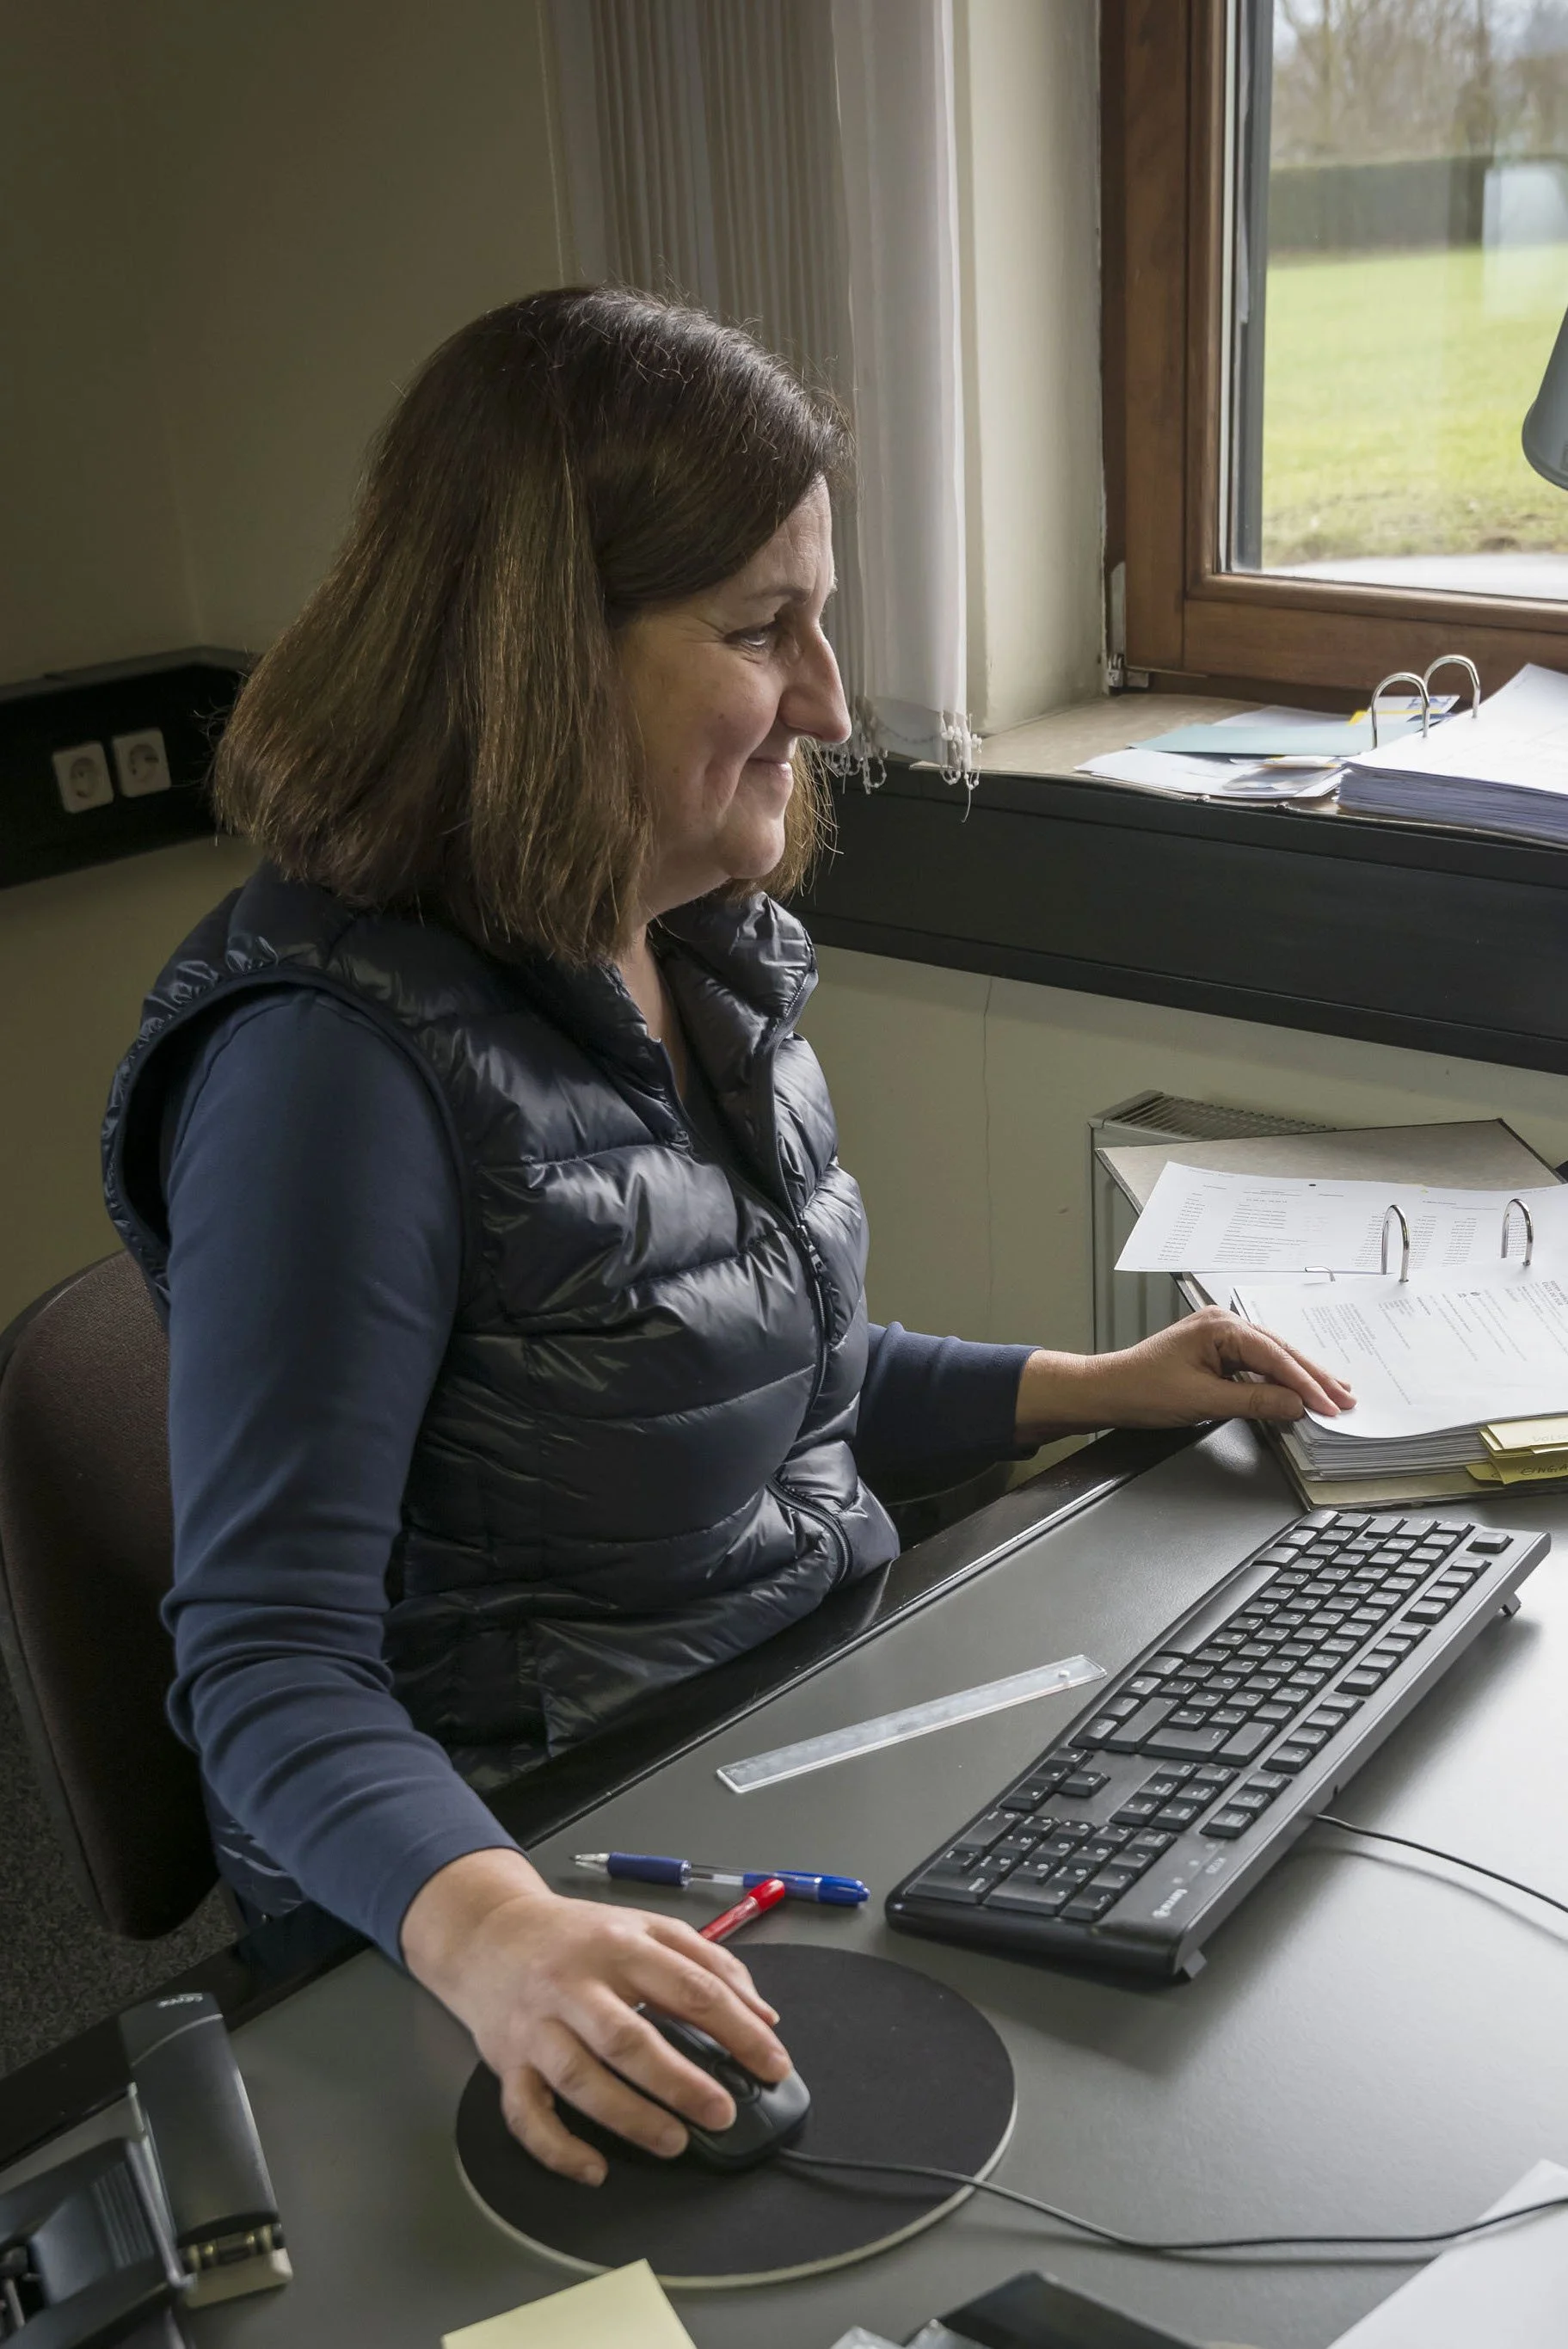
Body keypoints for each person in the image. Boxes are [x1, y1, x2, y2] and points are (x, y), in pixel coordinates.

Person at [102, 287, 1351, 2186]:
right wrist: (499, 1930)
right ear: (535, 657)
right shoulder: (325, 1074)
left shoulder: (684, 936)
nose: (831, 705)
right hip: (521, 1880)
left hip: (767, 1731)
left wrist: (1088, 1387)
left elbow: (753, 1373)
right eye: (764, 632)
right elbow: (266, 1665)